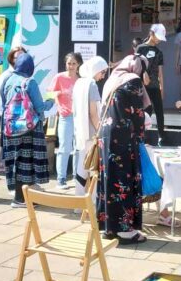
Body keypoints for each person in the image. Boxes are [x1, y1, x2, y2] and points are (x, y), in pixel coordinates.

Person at [97, 54, 151, 244]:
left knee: (109, 178)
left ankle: (108, 227)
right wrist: (142, 133)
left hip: (106, 136)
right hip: (123, 137)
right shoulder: (133, 81)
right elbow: (137, 114)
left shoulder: (113, 79)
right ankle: (124, 229)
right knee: (123, 179)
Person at [0, 52, 54, 207]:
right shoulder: (30, 82)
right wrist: (52, 100)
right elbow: (40, 107)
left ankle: (18, 197)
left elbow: (4, 102)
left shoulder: (8, 80)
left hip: (10, 128)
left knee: (16, 161)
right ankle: (22, 199)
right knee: (28, 162)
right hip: (29, 130)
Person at [72, 55, 108, 196]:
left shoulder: (79, 82)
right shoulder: (91, 84)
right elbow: (93, 112)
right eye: (103, 72)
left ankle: (79, 200)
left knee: (82, 165)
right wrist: (100, 130)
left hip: (81, 131)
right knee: (92, 167)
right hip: (91, 132)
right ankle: (90, 201)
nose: (103, 76)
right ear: (96, 69)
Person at [50, 52, 82, 189]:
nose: (71, 66)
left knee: (78, 148)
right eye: (69, 63)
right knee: (64, 148)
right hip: (65, 116)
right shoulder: (59, 77)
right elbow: (50, 93)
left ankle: (76, 176)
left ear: (78, 65)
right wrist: (58, 104)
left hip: (79, 116)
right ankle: (61, 178)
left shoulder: (81, 79)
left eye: (74, 63)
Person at [136, 24, 167, 145]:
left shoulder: (159, 52)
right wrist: (143, 73)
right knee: (145, 110)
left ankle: (161, 136)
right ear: (151, 33)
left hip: (154, 85)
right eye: (158, 36)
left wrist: (162, 87)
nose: (159, 40)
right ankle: (142, 135)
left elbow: (160, 72)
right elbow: (135, 65)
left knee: (159, 110)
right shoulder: (140, 48)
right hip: (142, 86)